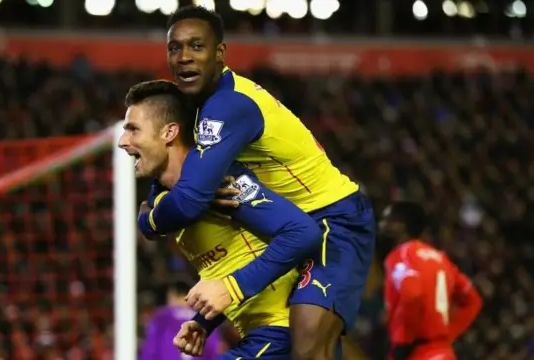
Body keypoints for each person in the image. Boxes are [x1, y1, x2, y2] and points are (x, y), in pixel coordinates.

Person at [137, 5, 376, 359]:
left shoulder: (229, 106)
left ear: (220, 53)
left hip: (333, 220)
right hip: (289, 222)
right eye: (175, 48)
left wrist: (150, 219)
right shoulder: (196, 108)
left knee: (308, 346)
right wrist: (205, 321)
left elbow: (188, 199)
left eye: (196, 46)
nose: (184, 57)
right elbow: (177, 181)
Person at [119, 80, 325, 359]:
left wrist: (230, 288)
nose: (123, 141)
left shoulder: (224, 184)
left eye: (133, 129)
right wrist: (205, 321)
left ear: (169, 132)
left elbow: (304, 233)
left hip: (289, 332)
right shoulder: (171, 200)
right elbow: (233, 260)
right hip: (263, 336)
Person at [379, 201, 483, 360]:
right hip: (442, 353)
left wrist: (403, 344)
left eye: (388, 220)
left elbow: (412, 294)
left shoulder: (400, 255)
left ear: (402, 226)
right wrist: (446, 335)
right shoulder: (442, 260)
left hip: (417, 353)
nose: (382, 224)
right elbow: (473, 300)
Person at [141, 280, 222, 360]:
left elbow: (150, 350)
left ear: (172, 294)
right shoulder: (205, 319)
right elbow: (214, 349)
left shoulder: (161, 317)